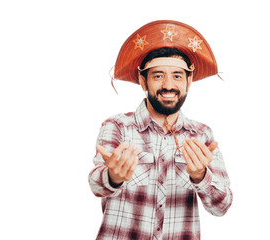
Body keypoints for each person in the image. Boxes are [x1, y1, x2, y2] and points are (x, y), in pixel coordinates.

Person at [88, 20, 232, 240]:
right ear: (143, 81)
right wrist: (113, 177)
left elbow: (221, 207)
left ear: (188, 81)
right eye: (157, 76)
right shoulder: (117, 127)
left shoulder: (202, 135)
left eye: (177, 76)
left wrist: (201, 176)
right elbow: (96, 184)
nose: (168, 85)